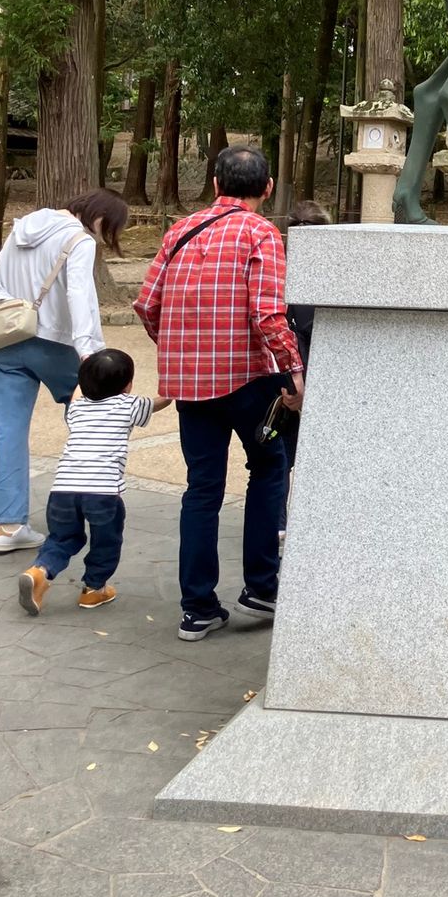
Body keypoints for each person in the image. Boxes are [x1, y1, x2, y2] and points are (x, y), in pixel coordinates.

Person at [134, 146, 303, 641]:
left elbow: (147, 305)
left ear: (214, 183)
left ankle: (197, 607)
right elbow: (267, 313)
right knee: (268, 468)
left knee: (202, 487)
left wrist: (180, 349)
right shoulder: (261, 232)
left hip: (191, 385)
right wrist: (294, 371)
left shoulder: (178, 231)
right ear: (267, 188)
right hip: (249, 380)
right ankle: (261, 587)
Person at [0, 190, 128, 554]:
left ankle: (8, 525)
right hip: (55, 343)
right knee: (94, 414)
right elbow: (80, 296)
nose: (106, 235)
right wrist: (91, 353)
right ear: (99, 216)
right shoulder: (79, 240)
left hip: (4, 337)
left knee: (9, 431)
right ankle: (93, 501)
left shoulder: (23, 227)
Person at [17, 348, 170, 615]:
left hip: (62, 490)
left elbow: (77, 392)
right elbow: (161, 402)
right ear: (128, 385)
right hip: (103, 493)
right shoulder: (129, 404)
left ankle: (40, 571)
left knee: (62, 538)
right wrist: (176, 386)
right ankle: (94, 589)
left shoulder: (76, 408)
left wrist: (84, 367)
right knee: (106, 542)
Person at [280, 199, 330, 539]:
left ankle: (279, 522)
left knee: (280, 455)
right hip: (323, 375)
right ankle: (315, 521)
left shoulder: (278, 270)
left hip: (285, 375)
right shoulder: (337, 275)